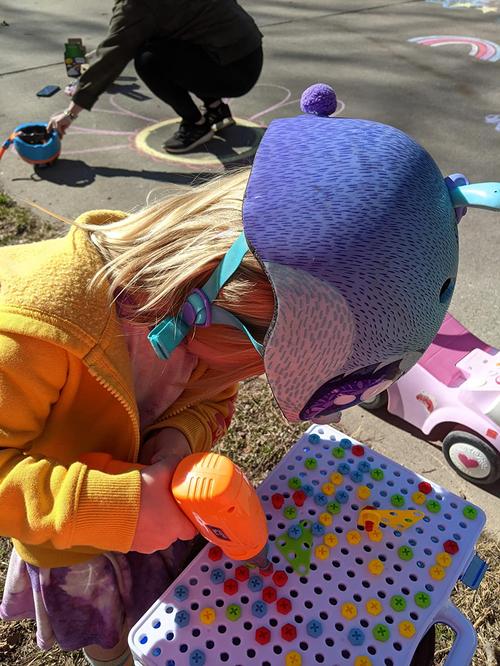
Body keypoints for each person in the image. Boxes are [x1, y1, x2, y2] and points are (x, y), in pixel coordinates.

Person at [1, 84, 497, 665]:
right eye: (262, 361)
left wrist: (173, 442)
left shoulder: (202, 320)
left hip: (148, 520)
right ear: (222, 286)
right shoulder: (33, 329)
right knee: (111, 640)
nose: (249, 377)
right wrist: (119, 505)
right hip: (72, 543)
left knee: (156, 609)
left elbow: (211, 398)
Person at [47, 0, 263, 153]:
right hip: (247, 55)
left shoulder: (137, 6)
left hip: (231, 71)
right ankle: (215, 109)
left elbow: (112, 55)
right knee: (164, 43)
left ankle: (196, 124)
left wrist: (70, 113)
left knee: (148, 60)